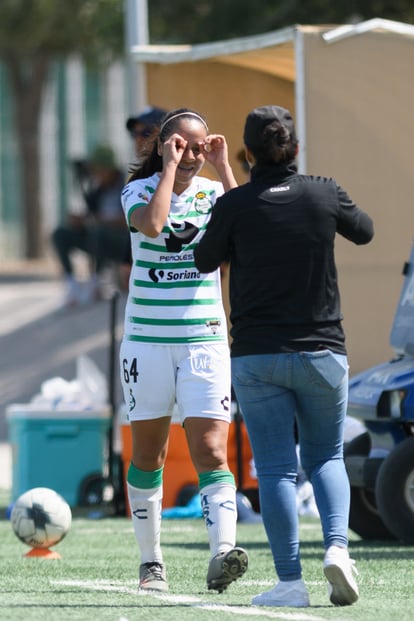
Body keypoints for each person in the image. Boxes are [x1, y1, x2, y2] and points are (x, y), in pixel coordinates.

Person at [194, 105, 374, 608]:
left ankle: (291, 583)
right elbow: (365, 230)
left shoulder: (235, 206)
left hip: (257, 358)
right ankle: (338, 548)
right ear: (294, 148)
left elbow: (204, 258)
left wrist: (232, 209)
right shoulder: (323, 190)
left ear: (248, 154)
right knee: (326, 457)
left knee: (273, 470)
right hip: (322, 353)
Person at [119, 107, 249, 594]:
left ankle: (223, 553)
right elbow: (153, 226)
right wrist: (170, 168)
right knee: (149, 456)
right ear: (162, 146)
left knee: (212, 450)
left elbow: (247, 226)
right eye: (182, 146)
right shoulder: (137, 190)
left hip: (205, 340)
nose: (192, 154)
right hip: (148, 343)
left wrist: (222, 165)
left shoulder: (216, 192)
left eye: (199, 146)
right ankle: (151, 563)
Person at [52, 144, 129, 306]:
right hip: (97, 237)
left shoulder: (127, 185)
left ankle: (97, 280)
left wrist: (96, 220)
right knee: (60, 233)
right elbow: (91, 216)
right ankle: (72, 283)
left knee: (98, 230)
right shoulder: (98, 189)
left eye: (101, 170)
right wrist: (80, 221)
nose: (98, 175)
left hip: (122, 243)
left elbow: (127, 220)